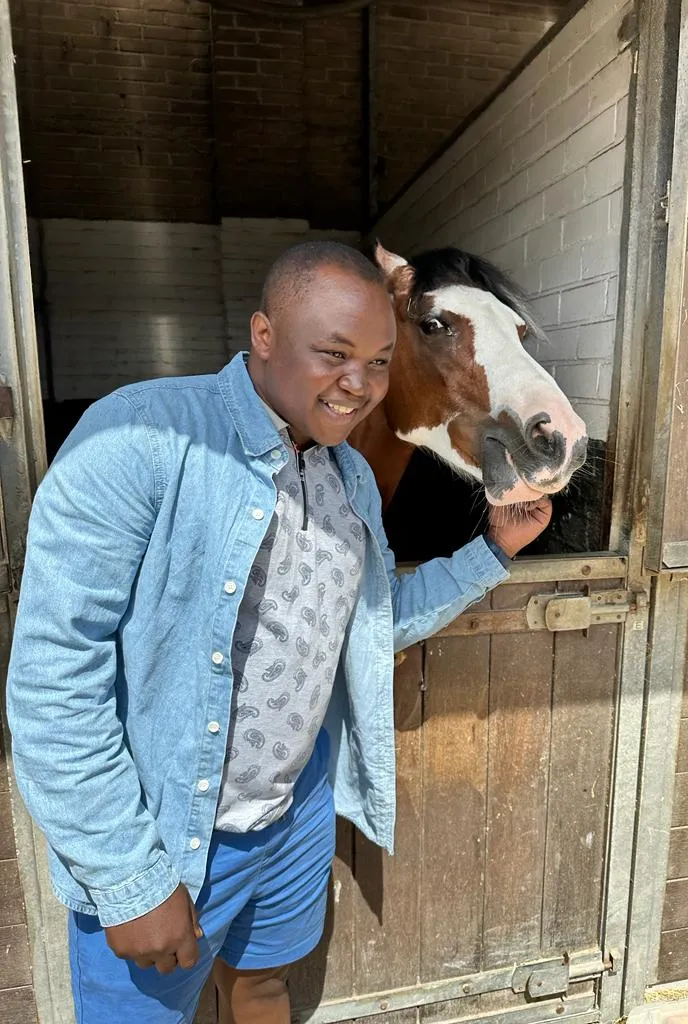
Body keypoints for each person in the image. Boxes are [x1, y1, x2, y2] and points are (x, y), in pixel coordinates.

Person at [6, 241, 552, 1024]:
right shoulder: (137, 438)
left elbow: (365, 628)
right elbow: (52, 684)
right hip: (170, 839)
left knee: (263, 987)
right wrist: (128, 878)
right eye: (334, 354)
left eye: (378, 361)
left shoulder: (348, 477)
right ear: (263, 335)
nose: (359, 385)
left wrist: (494, 551)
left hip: (293, 815)